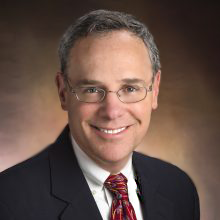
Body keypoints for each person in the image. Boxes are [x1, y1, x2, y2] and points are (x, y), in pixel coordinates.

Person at [0, 9, 200, 220]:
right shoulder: (9, 202)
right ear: (63, 92)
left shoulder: (179, 189)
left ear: (155, 90)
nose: (112, 112)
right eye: (92, 90)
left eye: (130, 88)